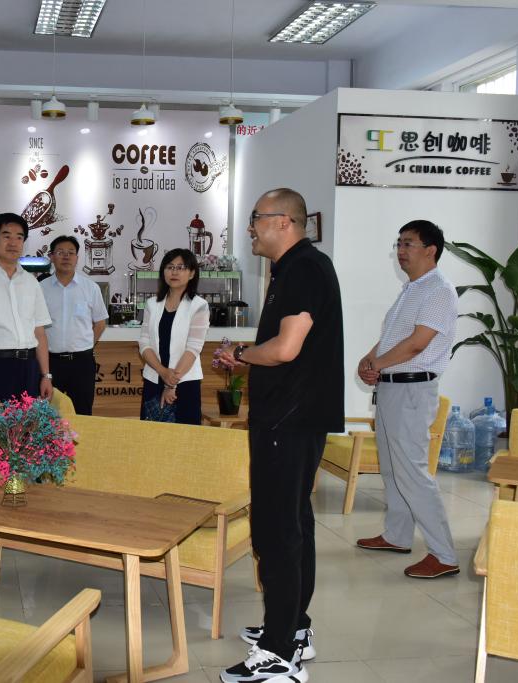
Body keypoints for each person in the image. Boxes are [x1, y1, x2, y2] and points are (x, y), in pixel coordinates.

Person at [213, 188, 343, 683]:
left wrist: (242, 355)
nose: (250, 228)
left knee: (276, 530)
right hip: (294, 417)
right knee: (294, 522)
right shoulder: (297, 268)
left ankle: (277, 653)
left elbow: (286, 349)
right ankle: (292, 627)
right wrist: (247, 356)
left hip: (287, 421)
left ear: (284, 221)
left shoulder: (302, 268)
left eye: (256, 218)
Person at [356, 220, 460, 579]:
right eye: (398, 243)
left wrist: (378, 364)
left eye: (408, 244)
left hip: (412, 390)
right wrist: (369, 360)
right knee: (391, 468)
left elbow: (418, 344)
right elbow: (393, 338)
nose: (400, 251)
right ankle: (397, 535)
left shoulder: (439, 291)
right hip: (391, 387)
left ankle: (444, 554)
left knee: (413, 472)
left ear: (431, 250)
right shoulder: (411, 289)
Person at [0, 212, 53, 557]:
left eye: (19, 236)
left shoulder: (30, 282)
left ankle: (10, 516)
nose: (13, 242)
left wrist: (45, 375)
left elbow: (39, 331)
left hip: (26, 369)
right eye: (6, 235)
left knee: (19, 447)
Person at [138, 249, 208, 425]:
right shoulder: (152, 304)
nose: (174, 272)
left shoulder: (199, 305)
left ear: (192, 273)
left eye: (181, 267)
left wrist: (171, 384)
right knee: (151, 436)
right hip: (154, 379)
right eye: (170, 267)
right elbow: (144, 343)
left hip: (185, 382)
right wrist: (163, 372)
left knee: (184, 437)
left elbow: (193, 348)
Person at [41, 235, 108, 415]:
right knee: (47, 415)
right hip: (50, 362)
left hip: (82, 363)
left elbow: (100, 323)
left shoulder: (90, 287)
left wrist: (86, 346)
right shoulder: (40, 288)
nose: (66, 256)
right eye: (60, 252)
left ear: (77, 258)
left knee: (83, 412)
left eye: (71, 253)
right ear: (51, 257)